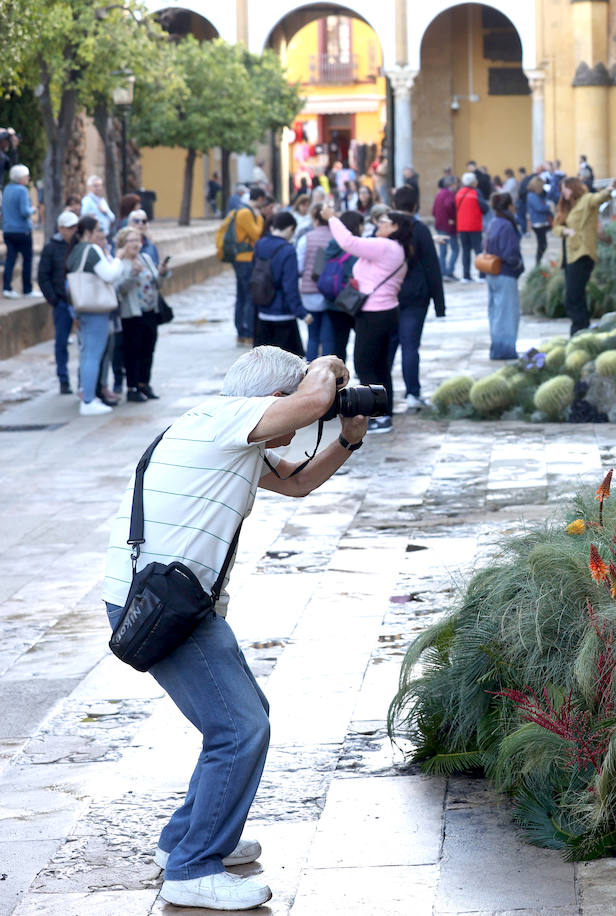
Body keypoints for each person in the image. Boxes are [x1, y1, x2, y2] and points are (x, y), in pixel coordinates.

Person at [99, 346, 368, 911]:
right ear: (274, 401)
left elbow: (298, 484)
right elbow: (314, 396)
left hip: (178, 602)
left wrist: (346, 439)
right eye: (292, 409)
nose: (301, 423)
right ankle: (195, 867)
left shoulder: (233, 436)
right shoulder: (227, 419)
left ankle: (184, 841)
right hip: (160, 606)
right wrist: (328, 368)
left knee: (240, 722)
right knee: (239, 729)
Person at [324, 204, 408, 434]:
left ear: (395, 228)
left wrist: (332, 218)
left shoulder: (384, 246)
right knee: (380, 366)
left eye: (384, 222)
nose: (378, 225)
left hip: (374, 314)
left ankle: (376, 416)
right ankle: (383, 414)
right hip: (386, 312)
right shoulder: (395, 247)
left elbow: (349, 243)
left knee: (365, 364)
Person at [387, 184, 445, 409]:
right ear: (416, 205)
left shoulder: (386, 229)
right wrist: (439, 304)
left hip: (388, 297)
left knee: (388, 347)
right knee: (410, 346)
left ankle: (379, 394)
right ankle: (412, 393)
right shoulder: (419, 229)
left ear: (394, 205)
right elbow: (432, 267)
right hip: (415, 298)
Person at [66, 216, 121, 415]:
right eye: (98, 230)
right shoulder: (91, 250)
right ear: (88, 232)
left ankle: (87, 395)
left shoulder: (75, 251)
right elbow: (109, 275)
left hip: (83, 309)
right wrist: (118, 259)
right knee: (93, 355)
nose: (101, 233)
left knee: (87, 353)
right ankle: (88, 400)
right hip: (95, 309)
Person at [553, 176, 616, 334]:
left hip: (582, 254)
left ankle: (579, 331)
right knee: (573, 296)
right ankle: (581, 330)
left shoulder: (586, 200)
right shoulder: (566, 206)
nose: (562, 191)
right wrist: (565, 230)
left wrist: (609, 189)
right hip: (569, 256)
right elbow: (556, 227)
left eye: (565, 188)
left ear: (573, 188)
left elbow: (599, 198)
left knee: (574, 296)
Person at [113, 226, 166, 402]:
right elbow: (119, 289)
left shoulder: (146, 258)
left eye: (138, 240)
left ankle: (145, 384)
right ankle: (132, 387)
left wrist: (162, 274)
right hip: (132, 314)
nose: (136, 244)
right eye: (131, 241)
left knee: (148, 349)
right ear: (122, 244)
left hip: (150, 311)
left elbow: (156, 283)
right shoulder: (120, 264)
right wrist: (132, 275)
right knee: (133, 351)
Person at [217, 188, 272, 346]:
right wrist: (260, 218)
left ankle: (241, 331)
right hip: (245, 259)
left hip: (240, 259)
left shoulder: (239, 211)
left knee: (241, 295)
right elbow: (257, 233)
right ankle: (247, 331)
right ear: (259, 198)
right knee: (248, 296)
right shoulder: (246, 213)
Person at [251, 211, 309, 356]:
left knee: (263, 364)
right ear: (290, 229)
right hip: (283, 316)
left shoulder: (260, 244)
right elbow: (290, 287)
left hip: (263, 312)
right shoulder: (288, 251)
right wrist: (301, 313)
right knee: (290, 367)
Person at [37, 210, 79, 393]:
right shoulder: (51, 247)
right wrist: (53, 299)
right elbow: (43, 275)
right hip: (62, 302)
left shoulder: (79, 245)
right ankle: (63, 379)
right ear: (61, 228)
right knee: (61, 342)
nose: (73, 231)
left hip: (79, 301)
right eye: (69, 227)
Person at [482, 192, 523, 360]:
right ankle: (505, 350)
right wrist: (518, 265)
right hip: (505, 272)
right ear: (508, 206)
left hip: (492, 273)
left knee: (496, 313)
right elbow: (510, 253)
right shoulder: (506, 224)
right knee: (507, 314)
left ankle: (497, 348)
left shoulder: (494, 222)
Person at [321, 210, 364, 362]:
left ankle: (339, 379)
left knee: (339, 343)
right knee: (362, 341)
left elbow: (320, 269)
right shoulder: (356, 248)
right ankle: (362, 371)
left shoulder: (331, 246)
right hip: (351, 302)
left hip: (333, 301)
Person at [296, 202, 334, 359]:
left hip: (310, 293)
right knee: (328, 337)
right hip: (332, 292)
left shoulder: (306, 238)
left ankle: (310, 371)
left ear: (315, 219)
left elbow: (299, 266)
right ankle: (329, 374)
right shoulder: (336, 237)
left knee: (313, 337)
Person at [2, 164, 35, 297]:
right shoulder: (22, 190)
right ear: (21, 177)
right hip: (22, 231)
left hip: (8, 230)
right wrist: (33, 210)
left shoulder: (7, 189)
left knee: (10, 260)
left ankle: (7, 288)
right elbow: (24, 211)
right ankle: (27, 289)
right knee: (27, 260)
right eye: (26, 176)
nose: (28, 178)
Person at [454, 172, 484, 282]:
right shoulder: (475, 193)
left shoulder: (458, 193)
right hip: (474, 225)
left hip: (462, 226)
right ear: (472, 182)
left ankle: (466, 276)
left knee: (465, 251)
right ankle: (482, 275)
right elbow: (484, 208)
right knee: (478, 251)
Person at [431, 176, 458, 280]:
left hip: (440, 224)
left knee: (443, 250)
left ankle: (443, 272)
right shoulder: (449, 194)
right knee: (455, 249)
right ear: (451, 185)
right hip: (448, 225)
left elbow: (433, 211)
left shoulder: (439, 193)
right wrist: (452, 218)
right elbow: (448, 205)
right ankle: (449, 271)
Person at [526, 176, 553, 267]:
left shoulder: (535, 195)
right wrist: (549, 207)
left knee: (542, 244)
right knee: (542, 244)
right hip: (538, 222)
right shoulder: (532, 195)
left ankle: (538, 262)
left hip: (541, 221)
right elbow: (539, 208)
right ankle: (538, 263)